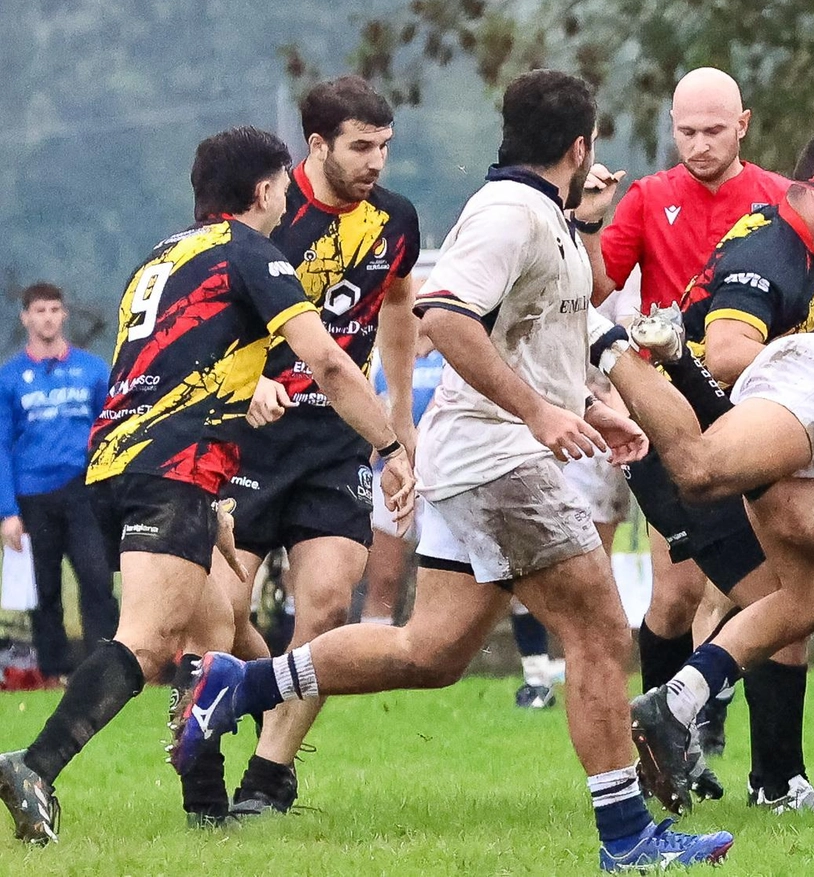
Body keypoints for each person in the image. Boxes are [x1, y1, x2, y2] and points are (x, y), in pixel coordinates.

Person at [177, 70, 733, 871]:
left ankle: (242, 684)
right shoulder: (511, 212)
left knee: (430, 653)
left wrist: (588, 399)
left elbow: (527, 336)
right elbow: (443, 316)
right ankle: (629, 841)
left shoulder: (542, 212)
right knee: (602, 630)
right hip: (497, 459)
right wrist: (538, 414)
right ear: (583, 146)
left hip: (479, 456)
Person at [0, 125, 412, 845]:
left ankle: (209, 810)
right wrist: (391, 444)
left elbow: (181, 358)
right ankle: (34, 763)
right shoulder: (250, 250)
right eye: (284, 183)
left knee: (219, 623)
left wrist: (214, 492)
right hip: (172, 465)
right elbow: (331, 364)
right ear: (262, 191)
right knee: (151, 639)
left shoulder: (162, 255)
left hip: (117, 460)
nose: (290, 196)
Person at [586, 119, 814, 812]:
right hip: (690, 453)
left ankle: (726, 761)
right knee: (785, 602)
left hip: (718, 445)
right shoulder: (775, 253)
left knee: (789, 601)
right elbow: (725, 352)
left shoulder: (799, 238)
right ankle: (742, 765)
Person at [172, 76, 423, 825]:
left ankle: (269, 775)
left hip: (335, 441)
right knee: (220, 609)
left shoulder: (396, 219)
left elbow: (401, 306)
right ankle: (205, 767)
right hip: (246, 439)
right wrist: (245, 388)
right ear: (317, 145)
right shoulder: (265, 215)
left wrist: (400, 415)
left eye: (384, 146)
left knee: (323, 602)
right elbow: (204, 314)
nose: (375, 160)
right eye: (360, 146)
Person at [0, 283, 117, 683]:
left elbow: (111, 429)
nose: (47, 318)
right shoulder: (10, 378)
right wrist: (8, 511)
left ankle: (106, 668)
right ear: (26, 318)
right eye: (39, 311)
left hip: (82, 491)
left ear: (64, 314)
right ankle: (53, 674)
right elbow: (1, 445)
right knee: (44, 590)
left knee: (97, 579)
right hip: (33, 494)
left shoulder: (92, 370)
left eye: (54, 309)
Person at [514, 368, 629, 711]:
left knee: (593, 570)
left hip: (601, 438)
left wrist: (617, 410)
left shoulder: (616, 315)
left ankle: (585, 674)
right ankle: (536, 676)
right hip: (547, 429)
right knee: (532, 559)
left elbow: (627, 351)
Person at [361, 328, 445, 626]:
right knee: (385, 579)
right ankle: (370, 662)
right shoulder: (379, 357)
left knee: (437, 582)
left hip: (437, 480)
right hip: (390, 476)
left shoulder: (449, 355)